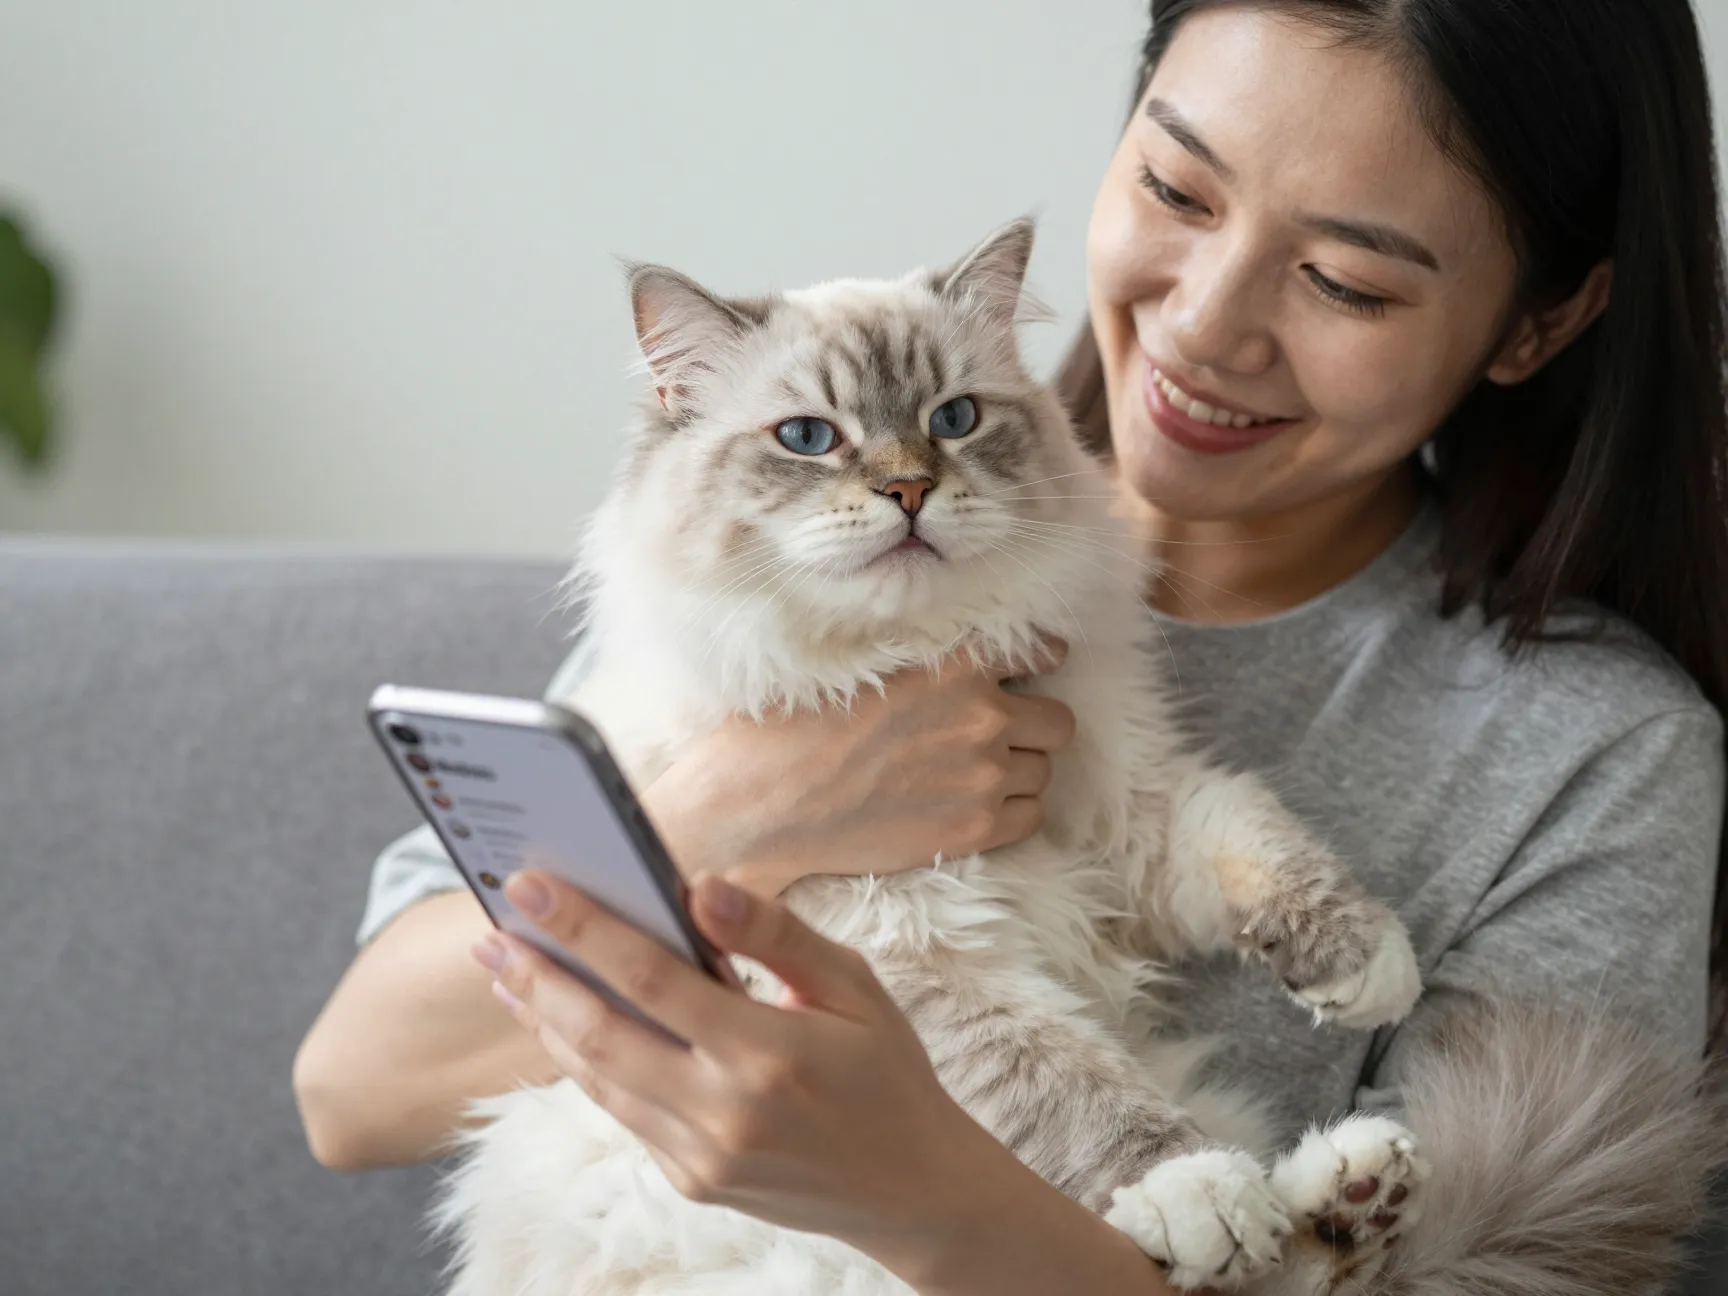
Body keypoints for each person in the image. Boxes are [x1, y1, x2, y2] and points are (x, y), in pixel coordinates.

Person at [293, 1, 1728, 1292]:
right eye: (1176, 189)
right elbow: (353, 1090)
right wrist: (741, 813)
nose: (1208, 325)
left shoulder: (1591, 753)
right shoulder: (758, 598)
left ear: (1541, 322)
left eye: (1345, 281)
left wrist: (924, 1197)